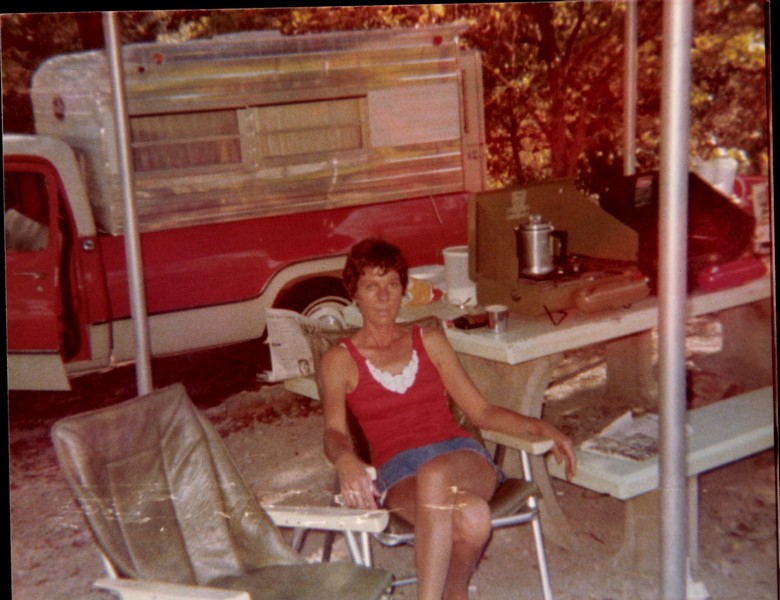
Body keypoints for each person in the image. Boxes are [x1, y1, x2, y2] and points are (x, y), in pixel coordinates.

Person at [321, 238, 576, 600]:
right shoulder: (340, 360)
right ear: (354, 293)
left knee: (436, 474)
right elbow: (333, 431)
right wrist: (345, 460)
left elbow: (481, 413)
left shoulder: (428, 340)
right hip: (399, 472)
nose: (383, 296)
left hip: (460, 457)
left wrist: (538, 425)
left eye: (392, 284)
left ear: (403, 291)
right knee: (473, 517)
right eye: (371, 286)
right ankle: (455, 592)